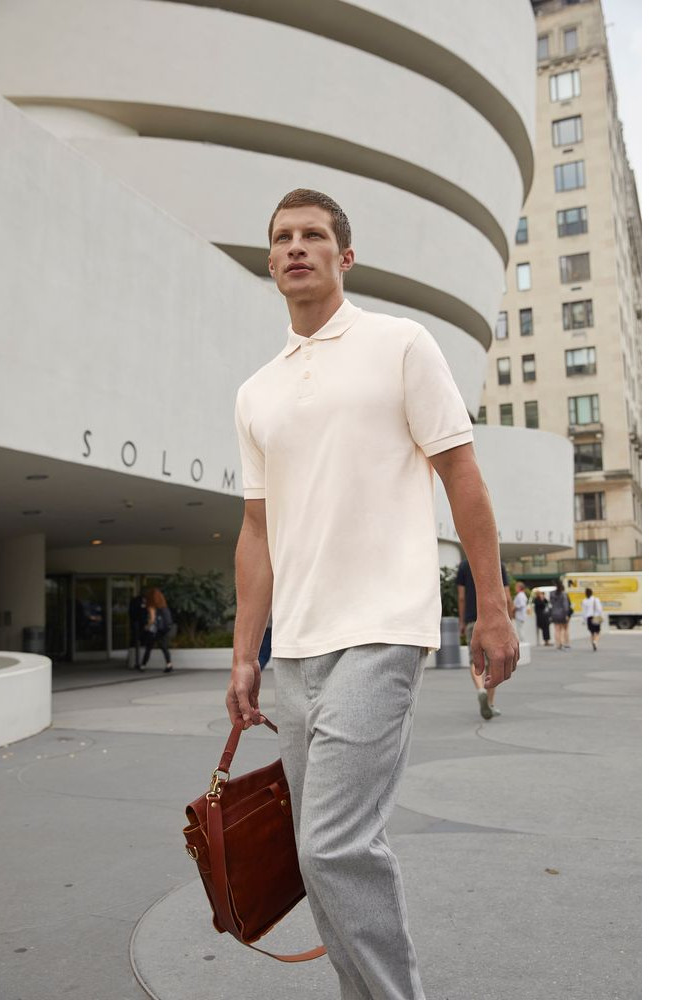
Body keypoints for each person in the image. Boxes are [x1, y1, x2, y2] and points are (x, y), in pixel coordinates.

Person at [226, 188, 518, 1000]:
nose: (296, 246)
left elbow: (462, 473)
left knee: (333, 846)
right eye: (282, 236)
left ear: (344, 256)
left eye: (313, 235)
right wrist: (245, 654)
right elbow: (256, 531)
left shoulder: (401, 345)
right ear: (270, 261)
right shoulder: (256, 393)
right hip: (296, 650)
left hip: (383, 628)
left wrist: (491, 608)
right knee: (316, 855)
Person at [457, 559, 511, 721]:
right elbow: (507, 596)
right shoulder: (497, 563)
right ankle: (490, 703)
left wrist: (462, 621)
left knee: (475, 660)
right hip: (492, 621)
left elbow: (461, 597)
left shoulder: (464, 566)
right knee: (492, 662)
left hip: (472, 620)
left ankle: (480, 689)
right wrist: (508, 621)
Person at [141, 587, 174, 673]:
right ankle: (169, 664)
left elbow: (152, 619)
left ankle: (143, 665)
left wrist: (147, 626)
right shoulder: (163, 605)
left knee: (149, 647)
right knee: (164, 647)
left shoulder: (151, 606)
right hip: (163, 629)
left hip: (155, 630)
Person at [550, 581, 572, 650]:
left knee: (556, 630)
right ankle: (562, 643)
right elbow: (565, 606)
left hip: (554, 613)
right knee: (562, 629)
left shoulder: (552, 594)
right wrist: (566, 614)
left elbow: (551, 603)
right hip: (562, 613)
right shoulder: (563, 594)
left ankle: (558, 644)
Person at [581, 586, 604, 652]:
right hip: (596, 617)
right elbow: (599, 609)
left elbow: (584, 611)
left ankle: (592, 643)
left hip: (589, 618)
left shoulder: (584, 601)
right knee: (597, 632)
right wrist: (601, 616)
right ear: (592, 593)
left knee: (592, 633)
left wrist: (584, 620)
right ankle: (595, 642)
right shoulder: (596, 599)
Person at [127, 590, 146, 669]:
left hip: (137, 624)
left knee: (135, 642)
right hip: (138, 624)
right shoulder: (137, 601)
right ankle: (136, 662)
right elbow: (134, 613)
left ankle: (135, 661)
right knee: (137, 642)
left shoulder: (136, 601)